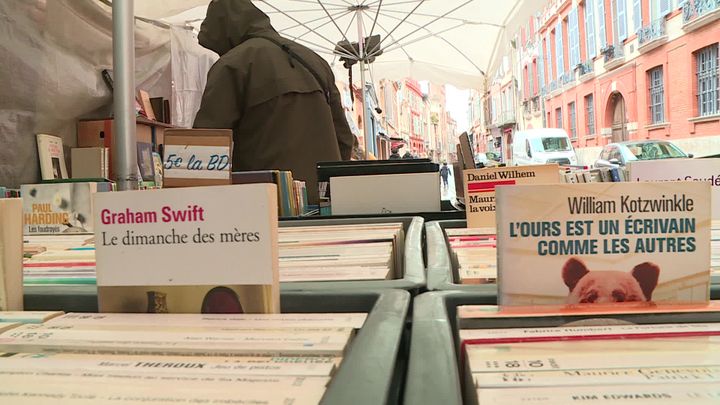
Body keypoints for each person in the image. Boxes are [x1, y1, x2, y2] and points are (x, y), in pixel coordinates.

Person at [193, 0, 354, 205]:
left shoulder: (233, 64)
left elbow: (206, 143)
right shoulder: (315, 61)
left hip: (267, 201)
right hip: (324, 199)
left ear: (224, 30)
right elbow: (344, 138)